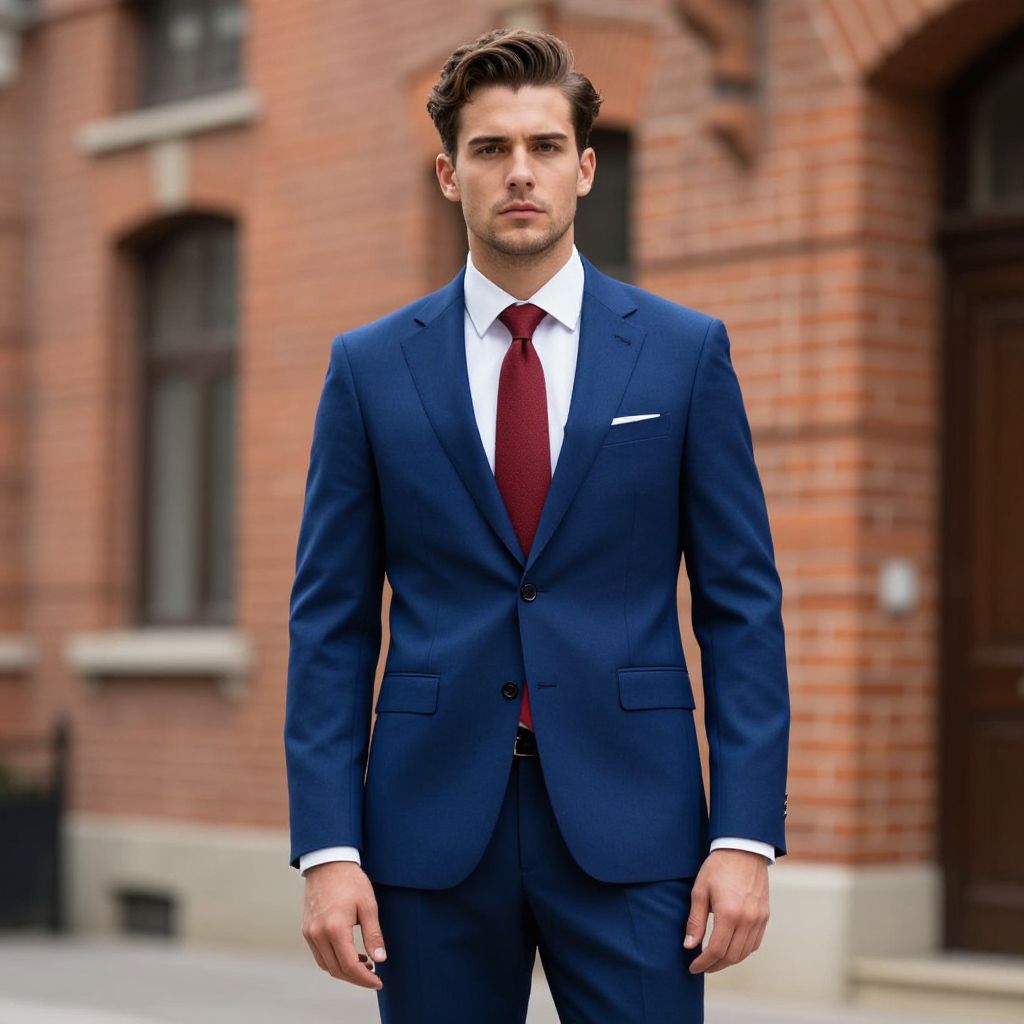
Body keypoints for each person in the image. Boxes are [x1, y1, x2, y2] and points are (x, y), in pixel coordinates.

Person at [284, 27, 790, 1024]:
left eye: (545, 146)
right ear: (447, 171)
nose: (521, 172)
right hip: (428, 832)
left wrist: (743, 834)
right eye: (490, 148)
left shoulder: (684, 356)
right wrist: (328, 849)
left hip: (634, 824)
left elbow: (741, 607)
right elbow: (330, 623)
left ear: (585, 166)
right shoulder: (370, 367)